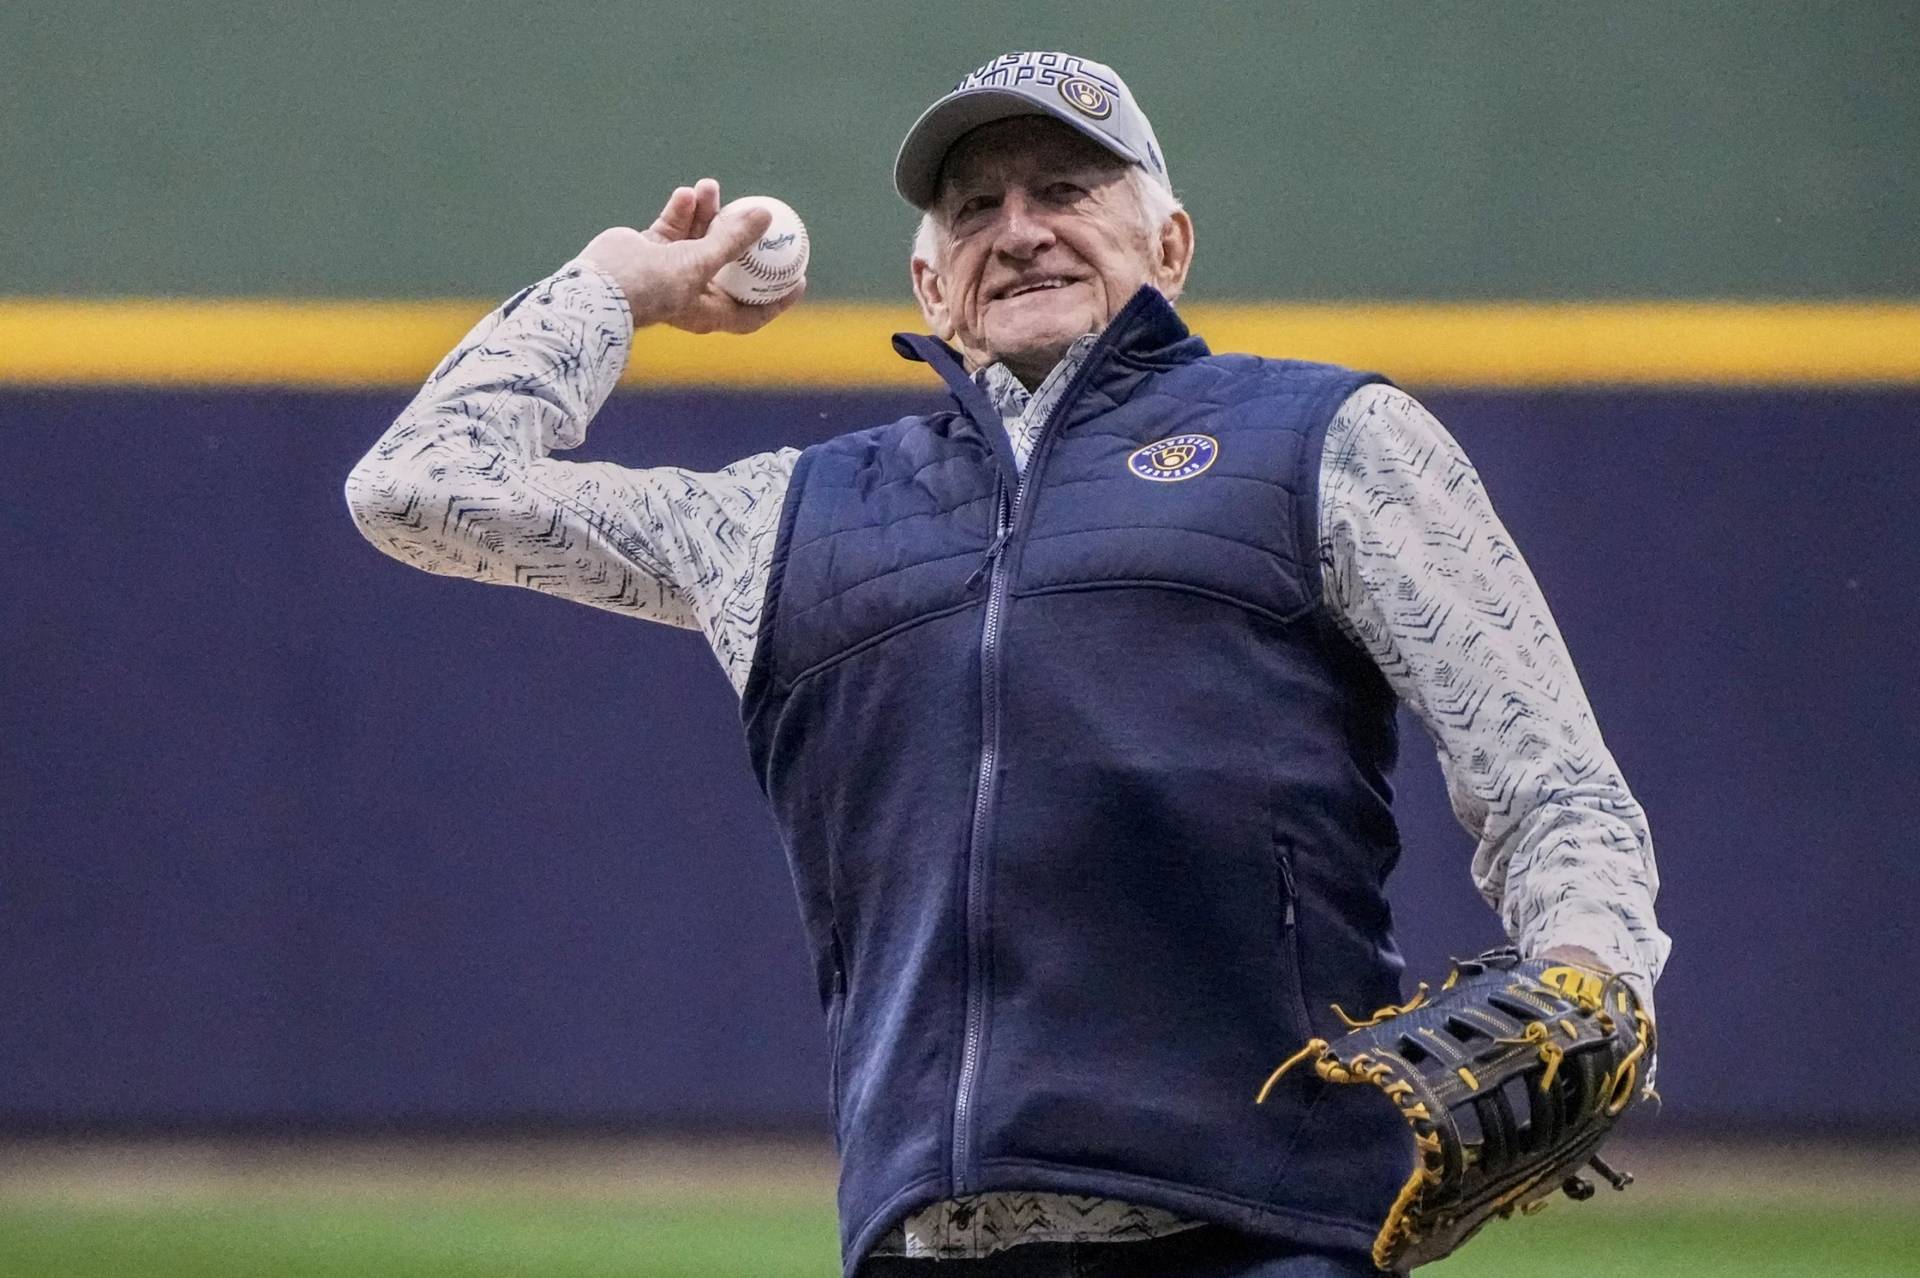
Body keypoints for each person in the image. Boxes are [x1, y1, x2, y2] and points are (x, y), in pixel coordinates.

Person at [345, 50, 1667, 1278]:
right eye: (974, 204)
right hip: (938, 1235)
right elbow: (417, 488)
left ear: (1172, 241)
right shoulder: (790, 518)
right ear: (931, 286)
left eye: (1068, 186)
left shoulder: (1331, 440)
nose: (1020, 225)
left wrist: (1591, 966)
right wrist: (614, 289)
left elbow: (1557, 787)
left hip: (1265, 1224)